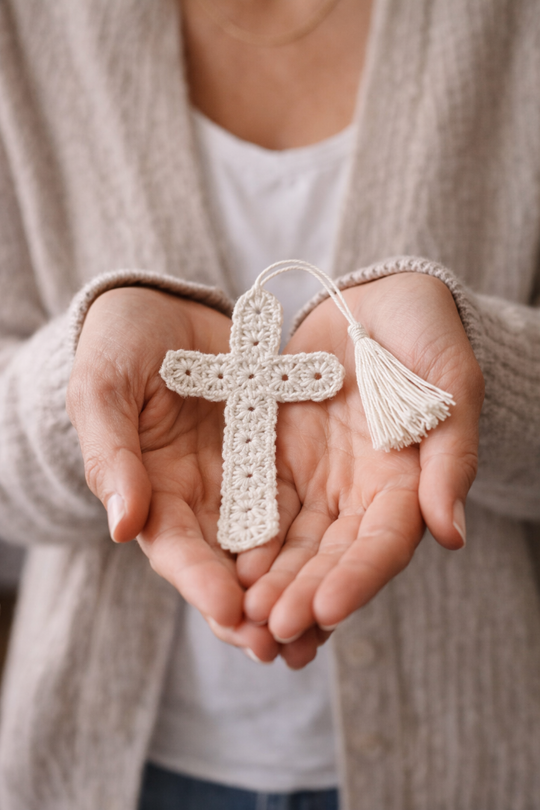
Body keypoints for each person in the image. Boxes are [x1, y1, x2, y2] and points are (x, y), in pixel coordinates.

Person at [0, 1, 539, 808]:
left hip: (462, 762)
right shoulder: (27, 25)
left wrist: (474, 373)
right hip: (111, 768)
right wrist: (79, 390)